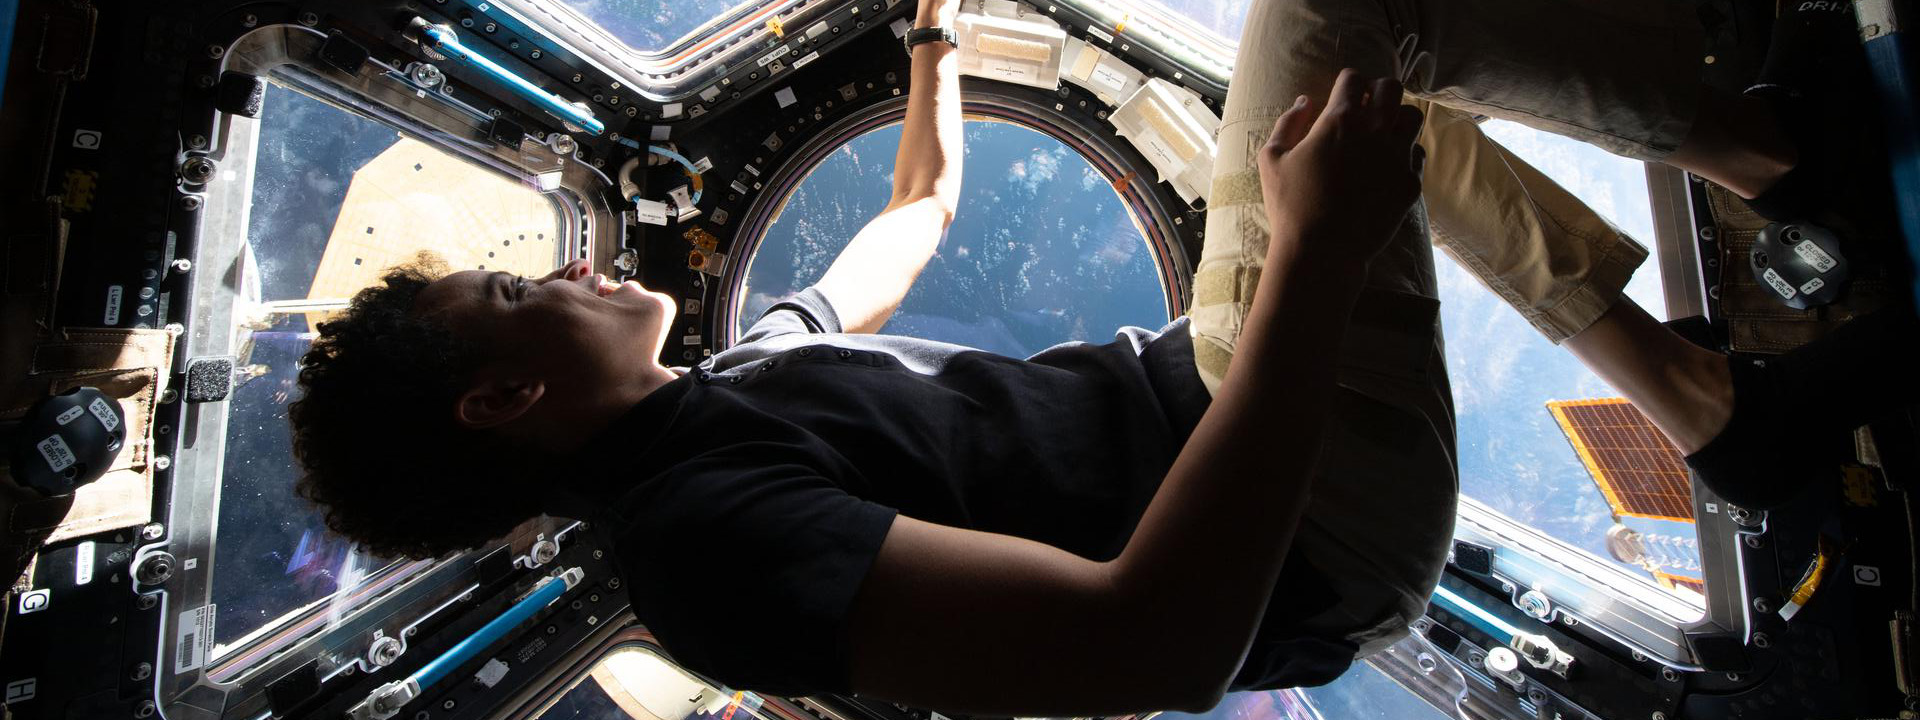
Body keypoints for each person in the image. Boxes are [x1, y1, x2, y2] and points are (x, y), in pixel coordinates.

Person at [289, 0, 1916, 713]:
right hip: (1293, 512)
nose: (564, 268)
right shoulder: (702, 547)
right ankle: (1768, 149)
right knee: (1341, 32)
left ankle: (1717, 408)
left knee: (1351, 114)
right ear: (504, 400)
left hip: (1265, 436)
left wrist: (929, 39)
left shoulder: (720, 402)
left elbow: (914, 215)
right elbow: (1149, 648)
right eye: (513, 301)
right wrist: (1318, 256)